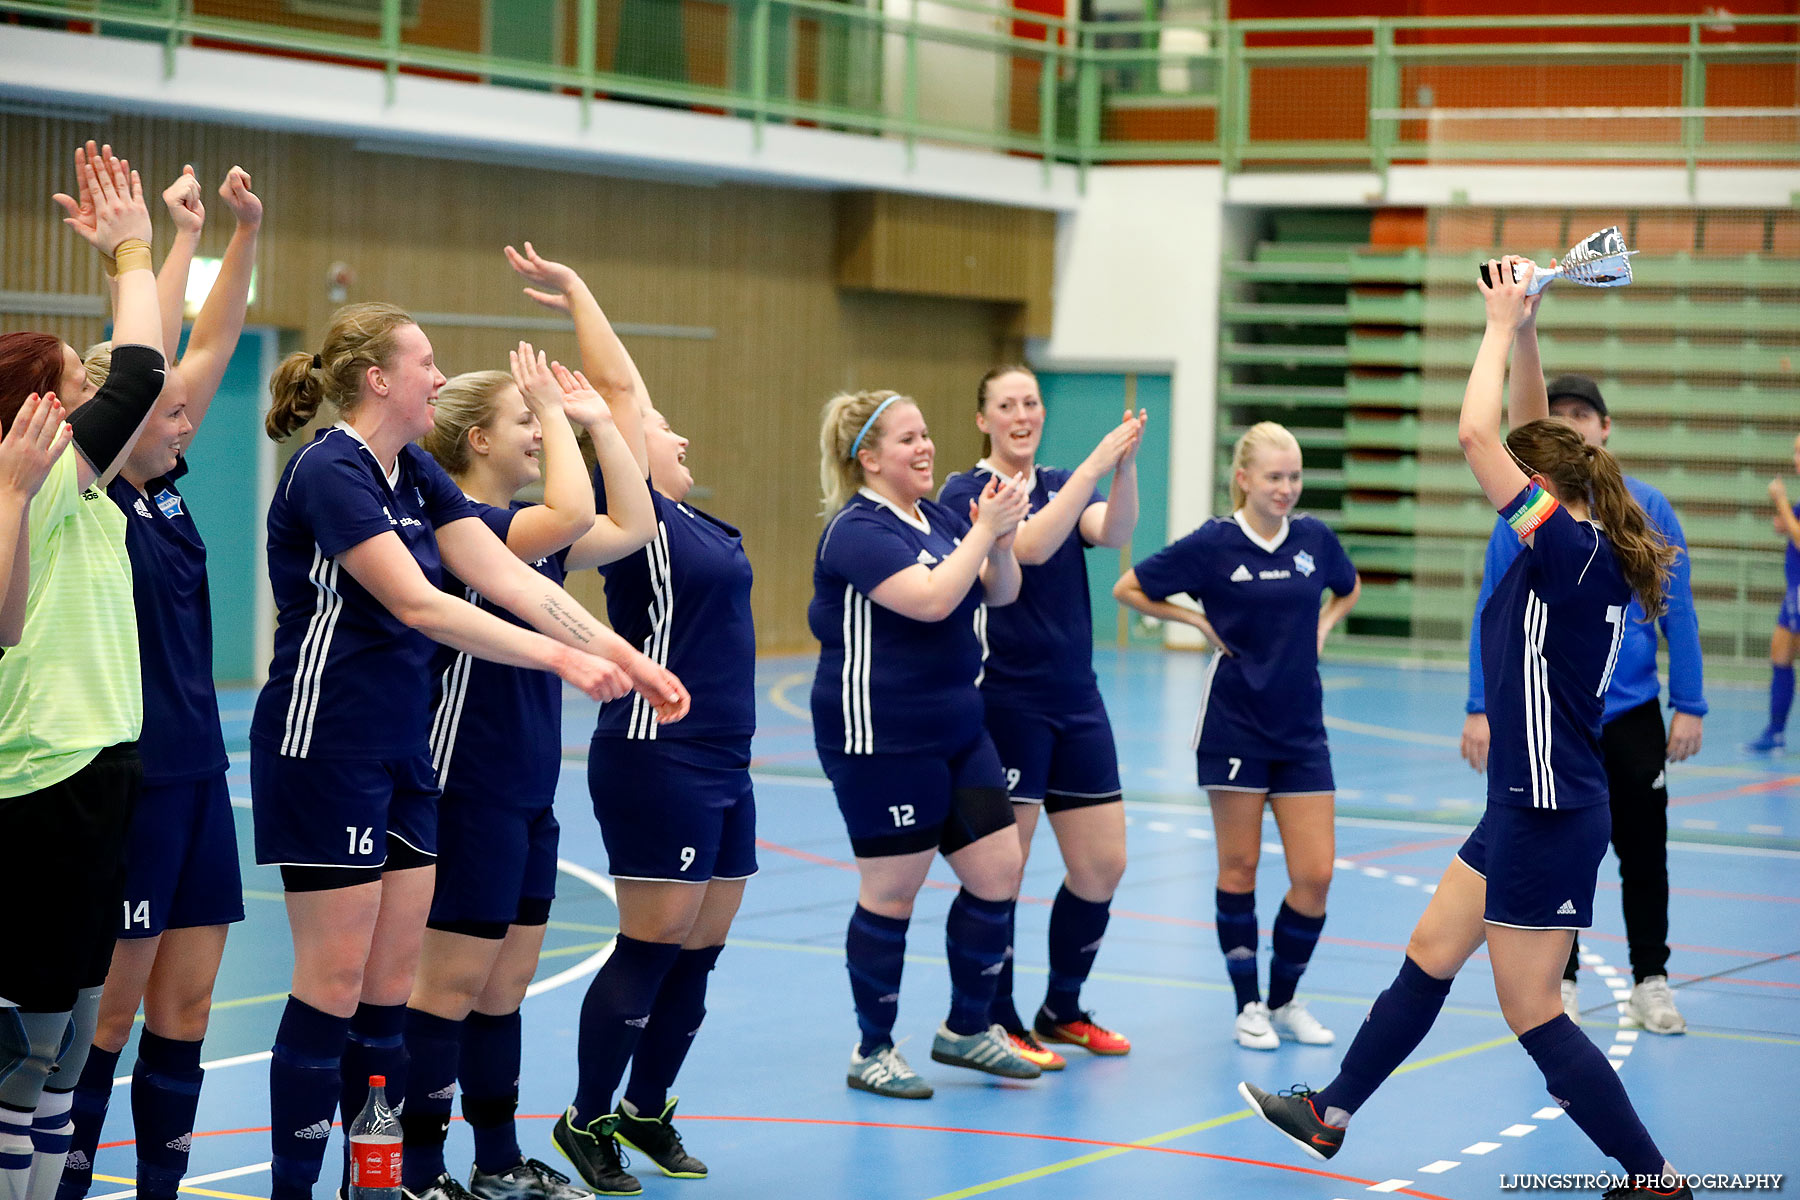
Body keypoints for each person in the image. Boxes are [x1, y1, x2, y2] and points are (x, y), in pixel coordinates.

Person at [1240, 256, 1693, 1200]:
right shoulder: (1584, 540)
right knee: (1430, 952)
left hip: (1549, 810)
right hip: (1524, 803)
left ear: (1541, 487)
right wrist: (1527, 327)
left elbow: (1474, 430)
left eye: (1527, 468)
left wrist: (1491, 320)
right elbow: (1520, 431)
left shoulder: (1566, 551)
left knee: (1534, 1015)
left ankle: (1654, 1178)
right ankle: (1331, 1113)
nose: (1514, 466)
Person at [251, 301, 688, 1200]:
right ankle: (295, 1185)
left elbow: (508, 582)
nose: (440, 377)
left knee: (386, 990)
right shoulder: (327, 469)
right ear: (379, 379)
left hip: (402, 754)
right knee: (334, 980)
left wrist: (624, 657)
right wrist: (564, 658)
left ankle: (375, 1182)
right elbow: (423, 603)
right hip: (323, 745)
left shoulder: (413, 472)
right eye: (427, 362)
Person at [501, 246, 760, 1195]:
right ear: (625, 452)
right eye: (660, 428)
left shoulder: (702, 525)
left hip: (728, 756)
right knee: (653, 943)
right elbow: (620, 396)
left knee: (704, 946)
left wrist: (580, 289)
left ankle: (648, 1109)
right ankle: (586, 1118)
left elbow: (624, 385)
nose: (677, 432)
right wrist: (605, 418)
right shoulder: (636, 528)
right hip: (663, 755)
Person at [401, 333, 655, 1200]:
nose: (539, 437)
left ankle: (499, 1159)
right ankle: (420, 1167)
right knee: (449, 986)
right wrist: (557, 404)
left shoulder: (531, 541)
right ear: (477, 439)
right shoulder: (468, 530)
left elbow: (633, 523)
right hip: (465, 788)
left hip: (526, 795)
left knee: (504, 987)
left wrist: (590, 420)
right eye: (524, 422)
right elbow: (577, 513)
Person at [52, 163, 263, 1200]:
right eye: (168, 412)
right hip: (128, 785)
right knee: (113, 1016)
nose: (187, 424)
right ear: (120, 415)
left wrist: (224, 235)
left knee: (186, 1012)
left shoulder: (166, 486)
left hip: (200, 783)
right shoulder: (91, 501)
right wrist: (152, 258)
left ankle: (159, 1194)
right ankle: (64, 1181)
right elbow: (162, 364)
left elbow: (207, 346)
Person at [0, 141, 169, 1200]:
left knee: (65, 1050)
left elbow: (148, 377)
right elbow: (146, 369)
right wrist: (131, 249)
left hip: (100, 768)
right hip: (42, 783)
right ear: (32, 410)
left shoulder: (69, 491)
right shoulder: (40, 481)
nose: (89, 401)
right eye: (70, 387)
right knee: (28, 1052)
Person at [1461, 364, 1704, 1037]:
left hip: (1627, 712)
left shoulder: (1642, 505)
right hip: (1559, 722)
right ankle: (1559, 982)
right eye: (1557, 413)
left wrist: (1691, 701)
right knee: (1567, 851)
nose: (1568, 422)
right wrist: (1479, 704)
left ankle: (1651, 978)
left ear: (1602, 430)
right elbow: (1493, 611)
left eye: (1581, 414)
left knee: (1642, 849)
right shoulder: (1527, 520)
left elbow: (1677, 610)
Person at [811, 389, 1038, 1099]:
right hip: (883, 737)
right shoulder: (856, 529)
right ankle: (871, 1047)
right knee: (893, 890)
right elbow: (933, 598)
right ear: (868, 458)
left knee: (999, 869)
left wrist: (997, 540)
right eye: (908, 439)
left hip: (957, 727)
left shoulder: (938, 517)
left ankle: (966, 1028)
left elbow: (1000, 593)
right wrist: (983, 533)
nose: (925, 448)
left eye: (926, 434)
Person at [1114, 421, 1359, 1050]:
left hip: (1303, 731)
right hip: (1234, 728)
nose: (1286, 488)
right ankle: (1247, 1002)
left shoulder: (1313, 539)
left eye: (1294, 476)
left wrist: (1325, 626)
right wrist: (1192, 618)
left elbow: (1347, 586)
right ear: (1244, 478)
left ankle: (1285, 999)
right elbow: (1130, 587)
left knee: (1316, 873)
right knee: (1240, 865)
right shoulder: (1214, 544)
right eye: (1274, 477)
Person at [937, 366, 1145, 1068]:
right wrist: (1095, 463)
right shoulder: (970, 492)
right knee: (1006, 869)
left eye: (1030, 402)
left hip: (1076, 700)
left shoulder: (1061, 481)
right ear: (983, 419)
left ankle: (1064, 1007)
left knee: (1103, 865)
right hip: (1007, 703)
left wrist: (1124, 470)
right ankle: (995, 1018)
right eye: (1006, 404)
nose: (1021, 413)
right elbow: (1027, 545)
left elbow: (1113, 531)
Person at [1749, 432, 1800, 753]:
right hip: (1794, 590)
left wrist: (1780, 501)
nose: (1795, 457)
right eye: (1794, 450)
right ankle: (1775, 732)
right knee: (1780, 654)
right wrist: (1787, 517)